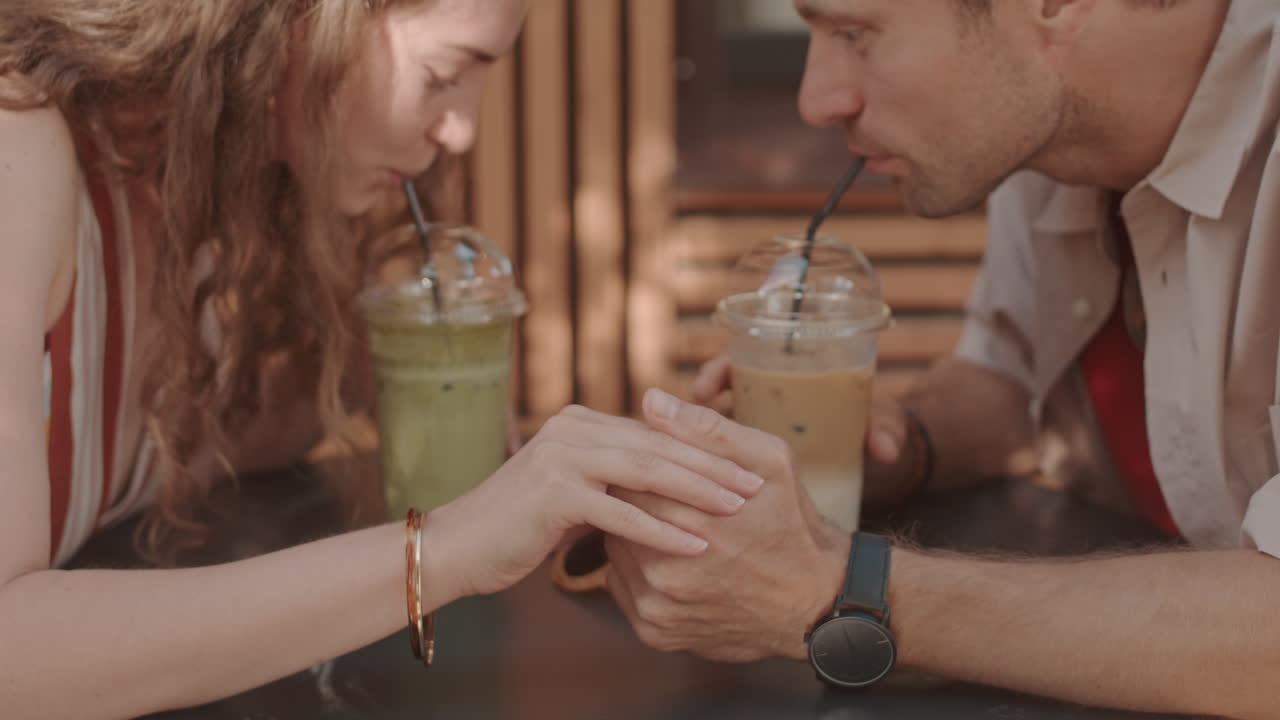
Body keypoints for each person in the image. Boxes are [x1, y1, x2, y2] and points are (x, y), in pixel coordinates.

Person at [0, 2, 766, 717]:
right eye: (443, 74)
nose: (461, 131)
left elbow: (172, 442)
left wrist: (369, 375)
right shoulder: (19, 145)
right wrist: (445, 549)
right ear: (304, 23)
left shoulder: (175, 194)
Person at [604, 1, 1280, 718]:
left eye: (854, 32)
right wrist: (893, 439)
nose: (816, 100)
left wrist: (843, 592)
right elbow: (1017, 392)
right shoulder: (1046, 129)